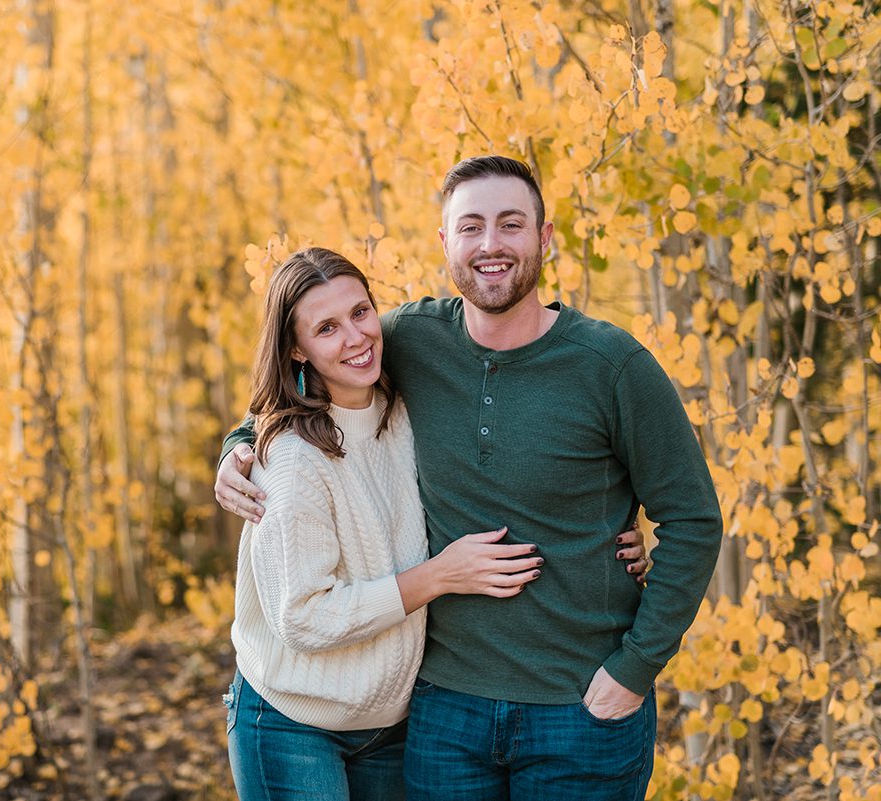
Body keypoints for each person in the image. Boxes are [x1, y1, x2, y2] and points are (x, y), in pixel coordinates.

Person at [217, 156, 723, 800]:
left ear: (544, 238)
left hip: (580, 706)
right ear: (446, 243)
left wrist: (637, 665)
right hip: (441, 711)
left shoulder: (613, 366)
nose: (490, 245)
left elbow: (694, 521)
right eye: (471, 226)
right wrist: (237, 447)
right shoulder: (409, 339)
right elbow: (305, 386)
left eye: (511, 224)